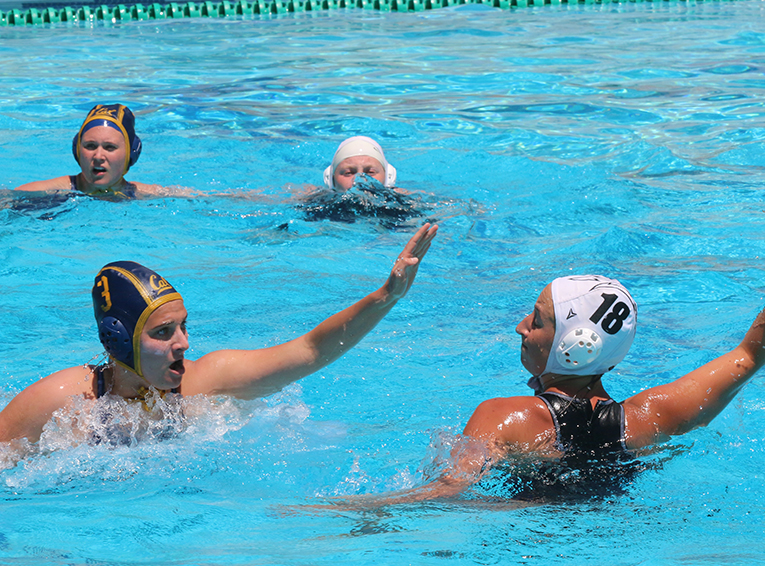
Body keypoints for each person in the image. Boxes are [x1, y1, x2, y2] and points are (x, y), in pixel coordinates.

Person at [336, 203, 765, 503]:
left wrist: (348, 511)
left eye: (538, 320)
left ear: (574, 345)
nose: (520, 326)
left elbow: (450, 489)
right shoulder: (647, 419)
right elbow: (752, 355)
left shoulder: (506, 416)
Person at [0, 223, 438, 453]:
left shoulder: (206, 380)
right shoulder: (63, 402)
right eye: (163, 332)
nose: (184, 344)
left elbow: (310, 350)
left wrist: (386, 297)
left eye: (184, 326)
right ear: (118, 341)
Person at [13, 104, 165, 200]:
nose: (98, 156)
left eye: (109, 147)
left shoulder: (149, 195)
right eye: (90, 146)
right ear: (77, 150)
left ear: (130, 154)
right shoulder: (40, 193)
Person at [298, 135, 425, 225]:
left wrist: (413, 202)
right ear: (331, 180)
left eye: (370, 172)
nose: (360, 179)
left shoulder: (403, 207)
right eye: (348, 173)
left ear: (388, 178)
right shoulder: (317, 207)